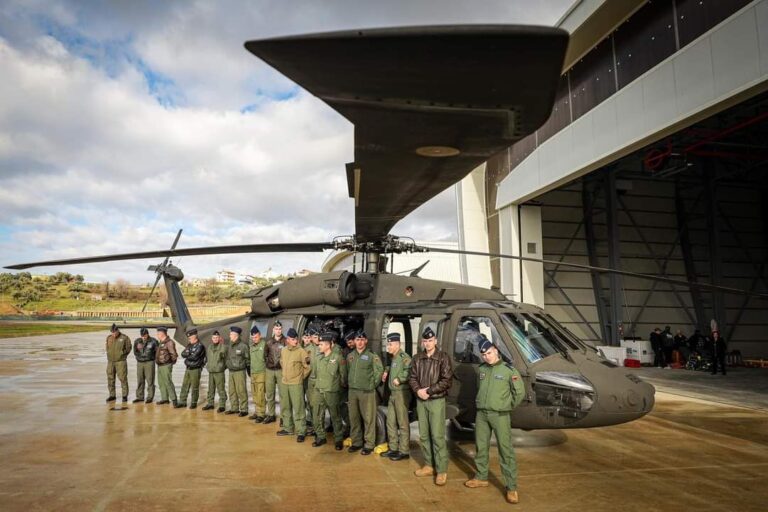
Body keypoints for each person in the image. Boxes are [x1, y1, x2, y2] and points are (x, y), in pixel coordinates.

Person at [464, 336, 526, 505]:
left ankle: (511, 487)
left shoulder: (508, 371)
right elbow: (480, 388)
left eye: (489, 353)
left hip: (500, 415)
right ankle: (481, 477)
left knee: (505, 450)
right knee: (481, 446)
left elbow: (519, 393)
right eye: (484, 355)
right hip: (482, 414)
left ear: (496, 351)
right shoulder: (482, 369)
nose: (487, 357)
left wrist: (507, 405)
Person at [409, 326, 453, 485]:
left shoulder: (443, 358)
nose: (428, 343)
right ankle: (429, 465)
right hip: (421, 401)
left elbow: (447, 380)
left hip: (436, 401)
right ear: (422, 342)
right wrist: (418, 391)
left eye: (430, 340)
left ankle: (441, 470)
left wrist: (429, 391)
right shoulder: (417, 358)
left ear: (436, 341)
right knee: (424, 435)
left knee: (437, 435)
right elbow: (412, 378)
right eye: (425, 341)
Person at [346, 330, 384, 455]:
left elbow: (379, 370)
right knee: (354, 418)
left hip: (366, 392)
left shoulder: (372, 356)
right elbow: (347, 371)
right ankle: (356, 442)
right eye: (357, 339)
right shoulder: (350, 356)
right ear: (354, 341)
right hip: (353, 392)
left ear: (366, 341)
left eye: (362, 340)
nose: (360, 342)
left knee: (368, 418)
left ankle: (369, 444)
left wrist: (372, 384)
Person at [312, 330, 347, 449]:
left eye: (321, 344)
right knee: (317, 415)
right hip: (319, 391)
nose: (319, 346)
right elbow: (316, 374)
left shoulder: (338, 358)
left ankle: (338, 439)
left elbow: (343, 377)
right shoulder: (318, 359)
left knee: (335, 416)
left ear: (328, 345)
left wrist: (338, 390)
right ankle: (321, 437)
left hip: (332, 392)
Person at [380, 332, 412, 461]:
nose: (388, 347)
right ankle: (393, 448)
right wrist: (386, 371)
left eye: (391, 344)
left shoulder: (405, 357)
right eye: (388, 344)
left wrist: (400, 379)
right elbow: (391, 366)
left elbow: (409, 371)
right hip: (393, 394)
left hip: (401, 393)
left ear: (398, 344)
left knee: (402, 422)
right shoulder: (393, 358)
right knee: (390, 421)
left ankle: (404, 451)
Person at [276, 328, 311, 441]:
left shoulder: (301, 351)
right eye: (292, 339)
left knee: (299, 408)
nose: (295, 341)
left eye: (296, 339)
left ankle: (301, 431)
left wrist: (300, 377)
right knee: (285, 406)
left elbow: (308, 367)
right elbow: (282, 362)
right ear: (288, 340)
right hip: (285, 382)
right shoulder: (284, 350)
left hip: (296, 384)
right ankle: (288, 428)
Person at [176, 328, 206, 409]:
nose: (188, 339)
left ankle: (194, 402)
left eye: (190, 337)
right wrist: (189, 354)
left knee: (195, 387)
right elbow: (182, 354)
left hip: (195, 368)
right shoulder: (189, 345)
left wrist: (188, 354)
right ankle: (182, 401)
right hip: (188, 368)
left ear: (194, 336)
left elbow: (194, 357)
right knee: (185, 385)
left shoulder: (200, 346)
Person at [225, 326, 250, 416]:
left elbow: (247, 359)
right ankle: (234, 408)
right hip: (231, 371)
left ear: (236, 335)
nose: (230, 336)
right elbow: (227, 357)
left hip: (240, 371)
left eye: (231, 334)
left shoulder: (243, 346)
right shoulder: (229, 346)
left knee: (241, 390)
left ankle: (244, 409)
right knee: (232, 391)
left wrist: (248, 370)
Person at [264, 321, 285, 424]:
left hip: (281, 370)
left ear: (282, 329)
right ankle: (271, 414)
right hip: (270, 371)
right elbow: (265, 355)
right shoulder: (268, 342)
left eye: (280, 329)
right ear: (273, 330)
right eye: (276, 329)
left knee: (283, 395)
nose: (278, 330)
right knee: (270, 394)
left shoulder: (285, 341)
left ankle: (284, 416)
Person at [105, 323, 132, 403]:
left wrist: (122, 354)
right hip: (110, 361)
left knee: (123, 378)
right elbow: (107, 347)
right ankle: (112, 395)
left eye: (114, 332)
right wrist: (108, 353)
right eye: (112, 332)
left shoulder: (124, 338)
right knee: (110, 378)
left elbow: (129, 348)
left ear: (117, 330)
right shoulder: (109, 338)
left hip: (121, 361)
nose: (113, 333)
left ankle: (124, 396)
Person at [202, 330, 227, 412]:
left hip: (219, 372)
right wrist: (208, 366)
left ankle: (222, 405)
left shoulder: (223, 347)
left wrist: (221, 367)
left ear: (219, 338)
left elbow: (226, 359)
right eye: (214, 337)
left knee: (221, 389)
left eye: (217, 337)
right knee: (210, 388)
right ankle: (210, 404)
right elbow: (207, 358)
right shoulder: (209, 347)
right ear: (212, 338)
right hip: (211, 371)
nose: (215, 339)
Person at [132, 327, 157, 403]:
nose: (143, 337)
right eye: (142, 335)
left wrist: (152, 358)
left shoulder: (153, 341)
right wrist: (139, 358)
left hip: (149, 362)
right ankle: (140, 396)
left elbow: (157, 352)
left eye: (145, 335)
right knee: (140, 380)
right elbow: (135, 351)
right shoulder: (137, 341)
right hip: (140, 363)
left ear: (147, 334)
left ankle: (150, 397)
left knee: (150, 380)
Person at [155, 327, 178, 405]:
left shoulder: (169, 342)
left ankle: (174, 399)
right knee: (161, 382)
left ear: (162, 334)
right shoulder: (161, 342)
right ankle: (164, 398)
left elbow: (174, 354)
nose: (157, 335)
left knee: (168, 382)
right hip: (160, 365)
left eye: (158, 333)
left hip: (166, 365)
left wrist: (170, 363)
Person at [248, 326, 267, 422]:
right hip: (253, 373)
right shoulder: (251, 347)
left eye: (256, 337)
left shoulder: (264, 345)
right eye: (253, 337)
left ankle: (261, 414)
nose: (254, 339)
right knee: (254, 394)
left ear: (260, 335)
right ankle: (257, 411)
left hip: (261, 373)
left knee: (260, 395)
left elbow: (267, 359)